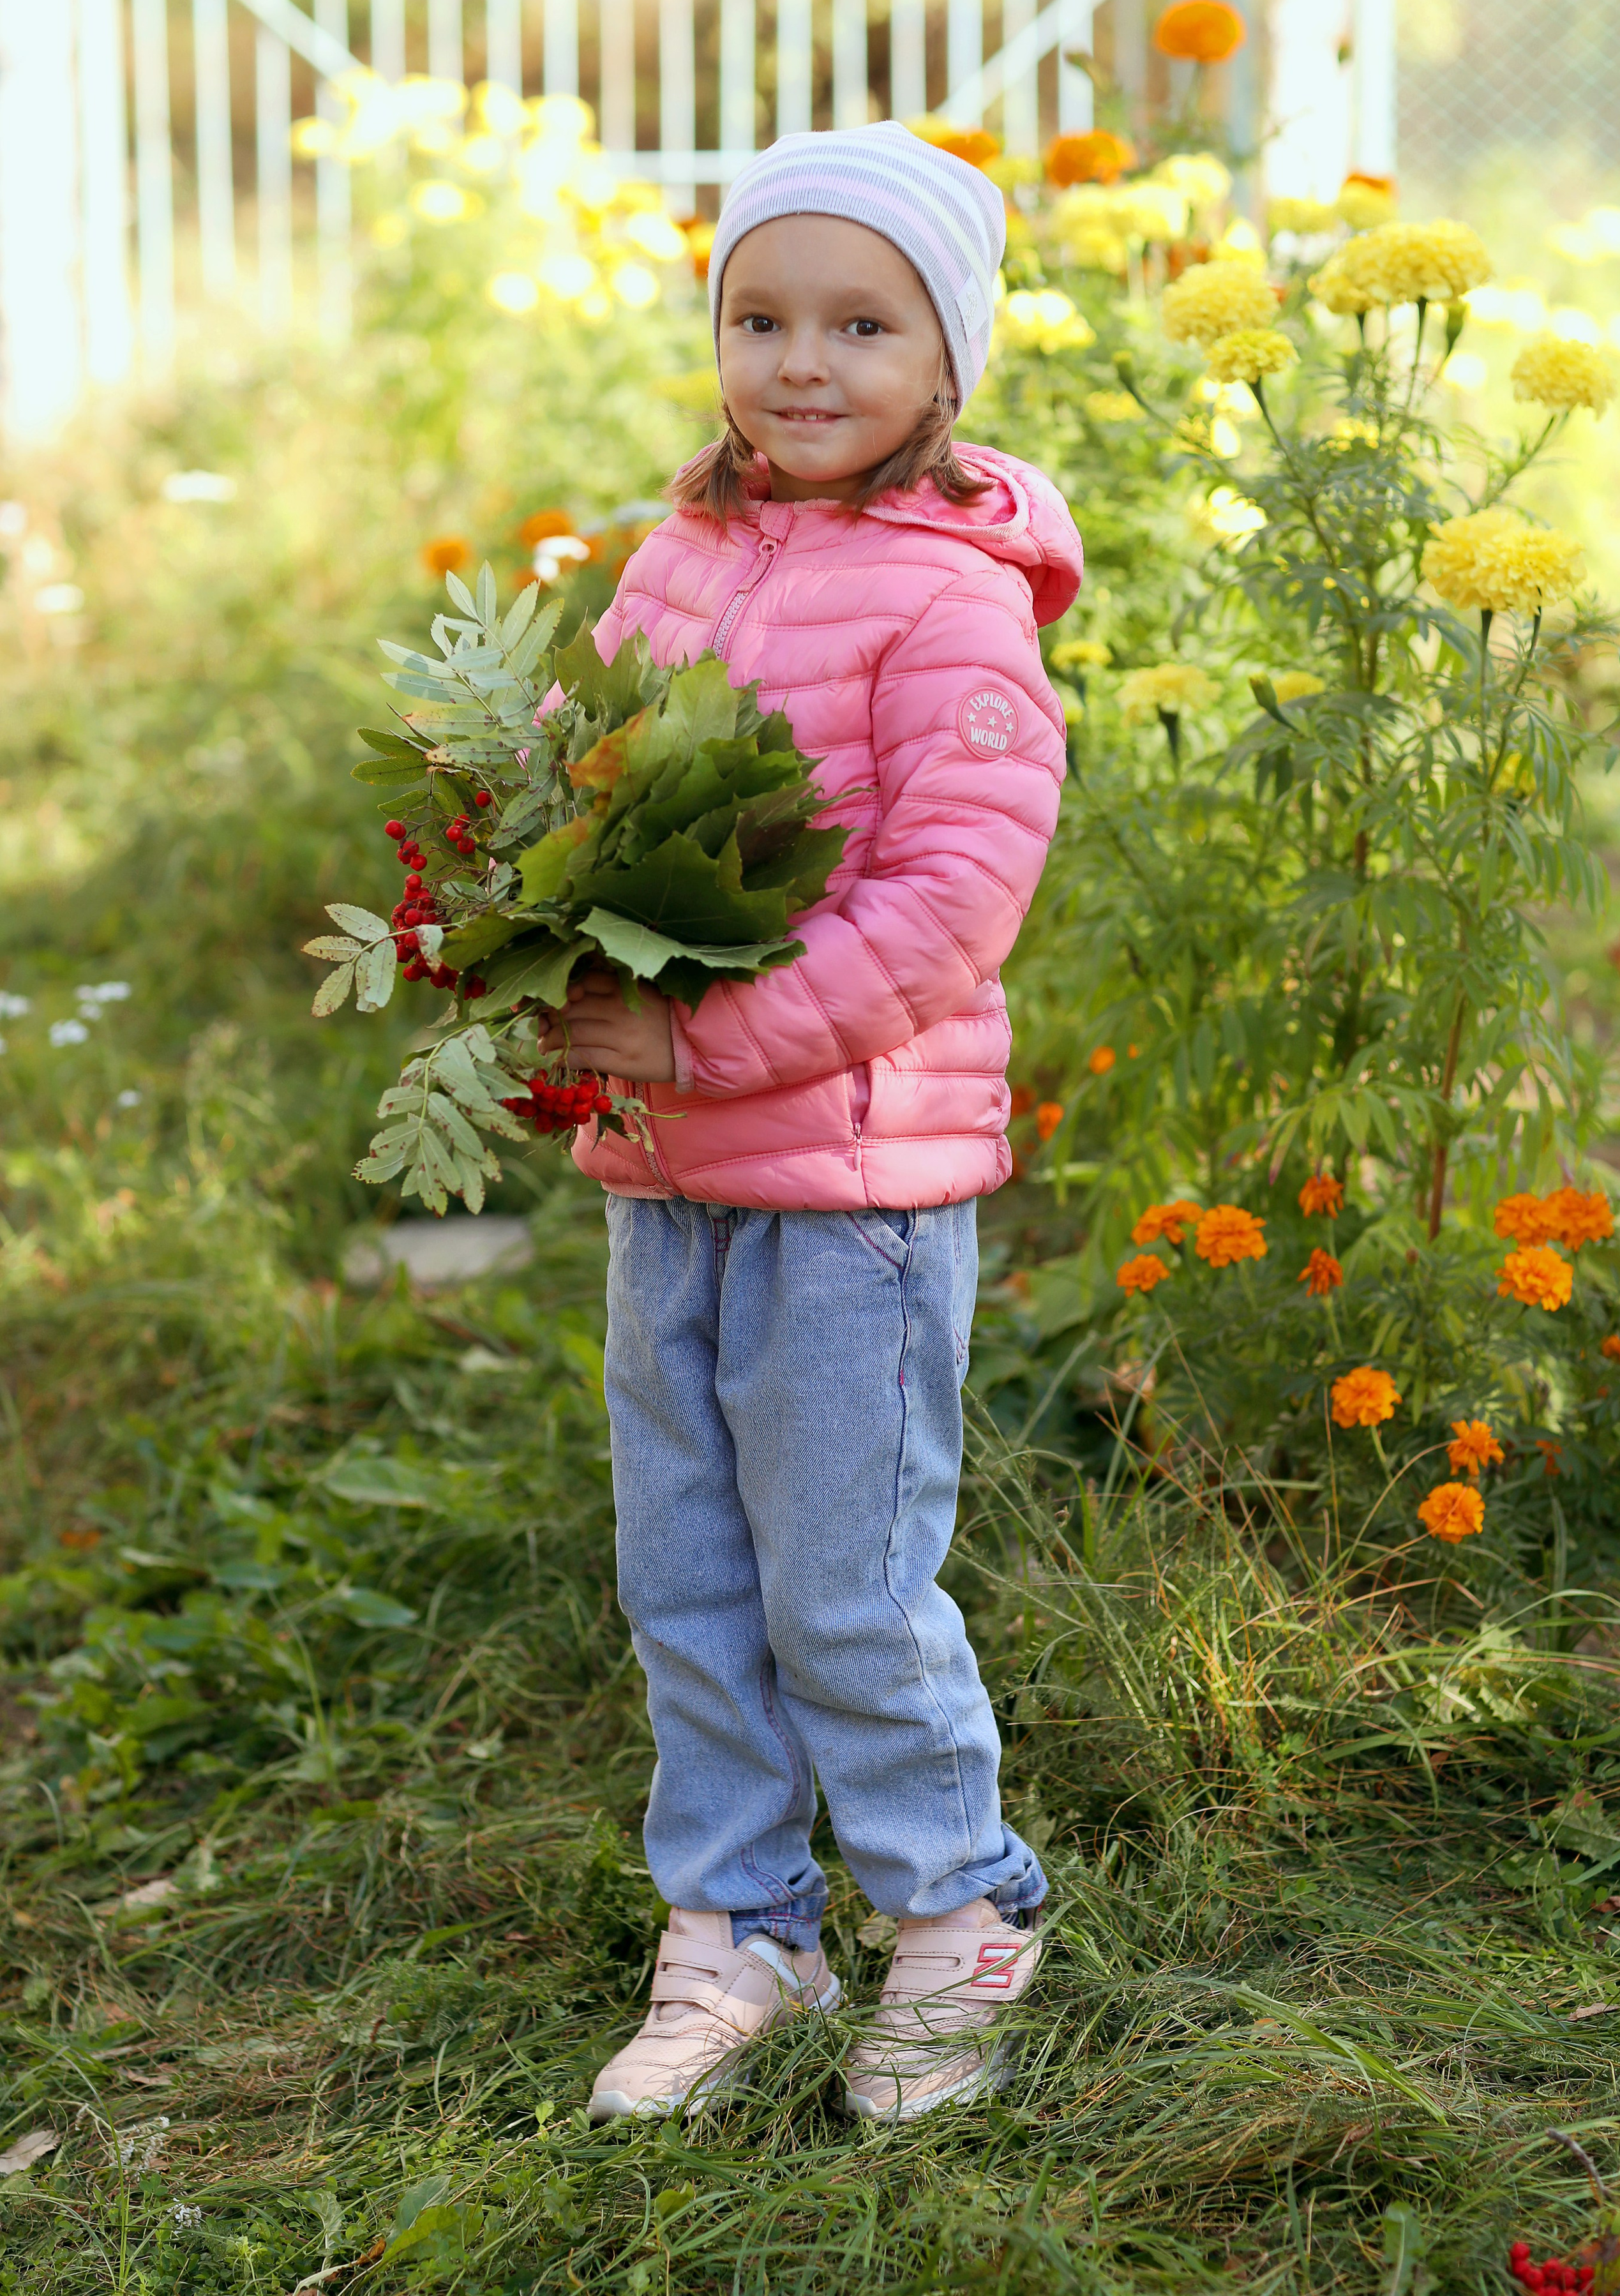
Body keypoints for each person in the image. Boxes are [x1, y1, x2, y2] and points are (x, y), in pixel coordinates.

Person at [536, 121, 1083, 2124]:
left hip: (853, 1181)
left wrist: (718, 1039)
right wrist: (521, 919)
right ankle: (743, 1923)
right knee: (682, 1566)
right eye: (760, 315)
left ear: (949, 362)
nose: (801, 361)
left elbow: (949, 905)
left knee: (841, 1575)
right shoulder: (677, 559)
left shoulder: (955, 604)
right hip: (667, 1176)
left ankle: (957, 1914)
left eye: (861, 322)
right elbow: (588, 793)